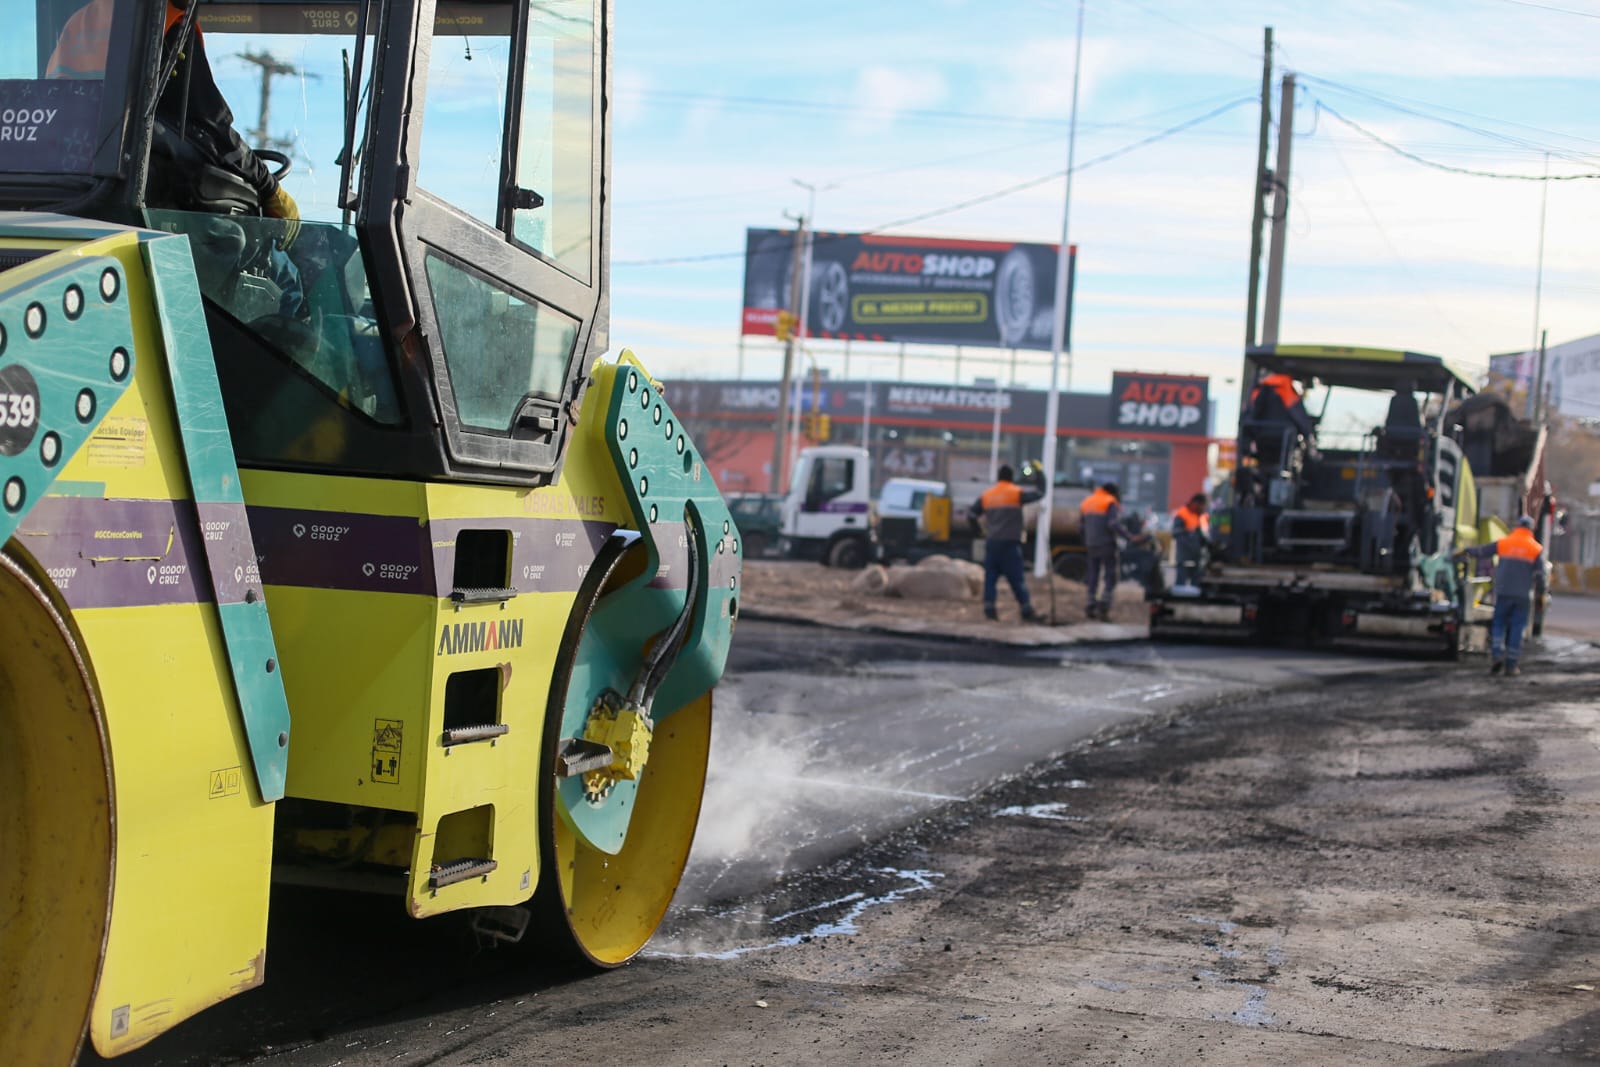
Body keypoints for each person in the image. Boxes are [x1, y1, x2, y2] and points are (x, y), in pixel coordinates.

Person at [47, 0, 299, 236]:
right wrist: (269, 188)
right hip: (136, 201)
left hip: (69, 187)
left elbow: (58, 104)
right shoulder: (160, 21)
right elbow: (211, 126)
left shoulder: (80, 22)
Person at [1458, 515, 1547, 677]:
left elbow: (1482, 551)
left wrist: (1466, 551)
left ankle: (1496, 654)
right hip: (1522, 596)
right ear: (1531, 529)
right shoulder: (1535, 548)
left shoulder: (1505, 542)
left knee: (1499, 623)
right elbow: (1540, 576)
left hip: (1503, 592)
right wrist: (1541, 595)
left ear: (1517, 527)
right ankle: (1511, 665)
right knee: (1517, 627)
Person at [968, 465, 1043, 623]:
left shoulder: (987, 495)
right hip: (1010, 543)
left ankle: (989, 610)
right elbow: (1040, 494)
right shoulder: (1016, 493)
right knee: (1017, 579)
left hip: (992, 542)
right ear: (1011, 477)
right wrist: (1039, 472)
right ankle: (1026, 610)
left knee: (990, 579)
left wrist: (979, 532)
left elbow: (971, 514)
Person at [1245, 371, 1316, 464]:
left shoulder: (1259, 390)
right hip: (1283, 438)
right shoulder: (1286, 388)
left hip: (1262, 438)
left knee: (1265, 465)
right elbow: (1299, 417)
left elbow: (1250, 415)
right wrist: (1308, 434)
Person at [1080, 482, 1125, 621]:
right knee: (1110, 575)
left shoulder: (1087, 501)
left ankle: (1090, 603)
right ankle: (1104, 606)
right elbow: (1113, 523)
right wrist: (1128, 536)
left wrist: (1085, 540)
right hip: (1106, 544)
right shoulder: (1110, 502)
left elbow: (1081, 526)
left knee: (1093, 574)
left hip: (1091, 544)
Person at [1171, 492, 1210, 589]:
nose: (1204, 508)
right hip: (1184, 555)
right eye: (1203, 505)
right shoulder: (1182, 514)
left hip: (1198, 556)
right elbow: (1175, 532)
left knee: (1197, 583)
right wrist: (1189, 534)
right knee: (1181, 581)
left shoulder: (1204, 516)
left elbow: (1205, 535)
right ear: (1195, 503)